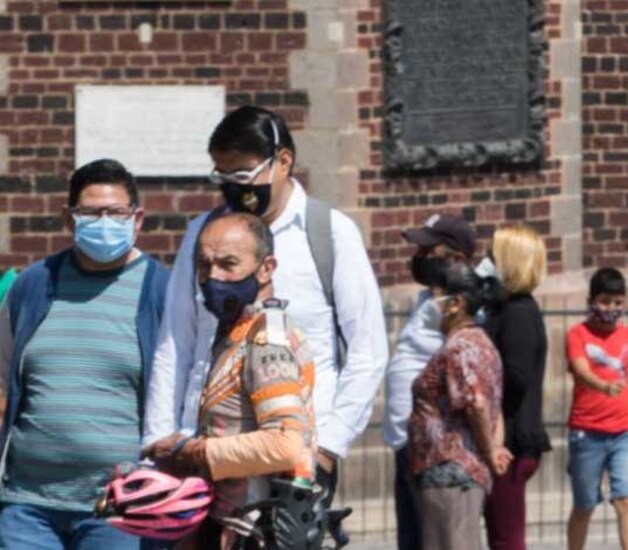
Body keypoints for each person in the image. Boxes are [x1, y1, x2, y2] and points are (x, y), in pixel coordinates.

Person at [143, 106, 388, 508]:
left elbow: (368, 350)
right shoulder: (202, 234)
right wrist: (158, 439)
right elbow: (177, 339)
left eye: (242, 175)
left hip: (293, 460)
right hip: (202, 453)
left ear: (283, 162)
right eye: (222, 177)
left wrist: (328, 446)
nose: (233, 189)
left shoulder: (329, 233)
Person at [0, 159, 170, 549]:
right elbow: (3, 381)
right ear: (69, 218)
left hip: (120, 507)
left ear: (138, 218)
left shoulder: (162, 291)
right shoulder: (32, 285)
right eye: (92, 212)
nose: (104, 221)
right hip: (27, 506)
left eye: (116, 212)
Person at [143, 212, 316, 549]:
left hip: (256, 530)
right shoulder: (237, 331)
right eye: (204, 265)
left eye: (228, 264)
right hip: (227, 524)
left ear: (266, 268)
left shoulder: (268, 341)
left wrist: (191, 451)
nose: (213, 277)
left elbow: (285, 443)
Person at [383, 213, 478, 550]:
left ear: (455, 259)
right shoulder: (428, 299)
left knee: (433, 540)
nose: (420, 258)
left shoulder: (463, 308)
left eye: (428, 250)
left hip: (433, 443)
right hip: (406, 440)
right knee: (410, 538)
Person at [407, 263, 511, 550]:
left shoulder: (460, 347)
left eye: (434, 296)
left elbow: (477, 403)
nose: (429, 304)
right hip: (455, 471)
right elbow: (494, 404)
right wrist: (494, 447)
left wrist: (490, 451)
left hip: (450, 470)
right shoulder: (480, 343)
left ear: (456, 304)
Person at [565, 268, 628, 550]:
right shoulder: (578, 334)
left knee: (626, 500)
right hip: (586, 433)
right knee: (585, 505)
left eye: (617, 303)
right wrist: (603, 386)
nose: (611, 309)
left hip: (626, 433)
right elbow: (580, 370)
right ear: (591, 300)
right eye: (604, 301)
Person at [481, 224, 552, 550]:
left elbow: (516, 377)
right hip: (507, 440)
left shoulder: (518, 313)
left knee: (506, 540)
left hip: (510, 441)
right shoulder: (509, 308)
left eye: (493, 255)